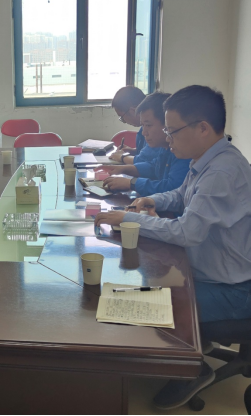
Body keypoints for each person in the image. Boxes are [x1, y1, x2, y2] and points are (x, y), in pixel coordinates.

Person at [95, 85, 251, 410]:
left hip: (234, 290)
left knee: (136, 302)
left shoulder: (222, 171)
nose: (168, 139)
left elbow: (186, 232)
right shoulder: (207, 160)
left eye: (173, 131)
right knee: (140, 281)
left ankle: (193, 369)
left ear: (203, 128)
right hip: (212, 273)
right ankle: (188, 347)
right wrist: (151, 199)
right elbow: (180, 195)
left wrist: (129, 218)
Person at [96, 92, 191, 197]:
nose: (144, 132)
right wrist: (123, 169)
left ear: (167, 123)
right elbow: (154, 167)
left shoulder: (183, 151)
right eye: (143, 126)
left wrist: (132, 183)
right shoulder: (164, 147)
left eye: (148, 125)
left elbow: (172, 188)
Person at [109, 86, 160, 165]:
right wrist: (133, 151)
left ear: (133, 110)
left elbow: (145, 161)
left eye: (122, 117)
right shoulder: (143, 129)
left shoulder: (154, 131)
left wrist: (122, 157)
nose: (124, 122)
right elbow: (147, 153)